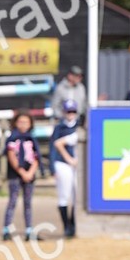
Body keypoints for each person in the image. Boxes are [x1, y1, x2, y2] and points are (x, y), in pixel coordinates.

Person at [2, 111, 45, 241]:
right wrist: (22, 172)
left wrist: (31, 172)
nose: (23, 124)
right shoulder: (12, 138)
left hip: (29, 174)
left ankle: (29, 230)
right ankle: (6, 230)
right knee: (13, 201)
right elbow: (11, 156)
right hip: (15, 174)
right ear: (15, 123)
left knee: (28, 203)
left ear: (31, 124)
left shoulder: (31, 138)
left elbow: (36, 157)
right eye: (20, 121)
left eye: (26, 122)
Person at [50, 99, 80, 238]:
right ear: (64, 112)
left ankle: (74, 225)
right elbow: (53, 146)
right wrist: (52, 168)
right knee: (64, 195)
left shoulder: (80, 126)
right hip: (62, 163)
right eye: (68, 111)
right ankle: (66, 226)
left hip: (78, 165)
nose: (71, 114)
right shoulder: (59, 128)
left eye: (73, 111)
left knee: (76, 196)